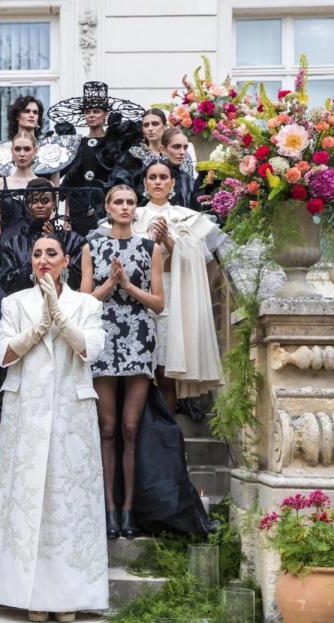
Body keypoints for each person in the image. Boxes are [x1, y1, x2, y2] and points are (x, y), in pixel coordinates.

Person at [0, 234, 107, 623]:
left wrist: (60, 316)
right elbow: (1, 354)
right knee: (28, 496)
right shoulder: (14, 303)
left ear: (66, 260)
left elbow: (91, 349)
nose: (43, 260)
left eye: (51, 253)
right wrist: (38, 328)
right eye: (37, 254)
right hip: (27, 412)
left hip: (72, 412)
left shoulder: (87, 304)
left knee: (68, 502)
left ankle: (68, 595)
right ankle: (28, 592)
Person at [81, 185, 164, 539]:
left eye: (131, 202)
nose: (125, 207)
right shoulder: (91, 245)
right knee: (108, 428)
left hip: (139, 337)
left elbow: (159, 303)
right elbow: (84, 300)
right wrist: (110, 284)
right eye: (119, 201)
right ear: (107, 206)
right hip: (104, 336)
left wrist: (128, 286)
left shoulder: (151, 248)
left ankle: (129, 509)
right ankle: (108, 510)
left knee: (131, 428)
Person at [0, 178, 87, 420]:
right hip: (24, 310)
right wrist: (33, 269)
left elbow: (79, 280)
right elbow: (5, 280)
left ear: (55, 202)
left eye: (45, 200)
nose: (39, 205)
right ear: (26, 203)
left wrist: (56, 251)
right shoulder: (12, 241)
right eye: (33, 200)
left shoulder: (71, 241)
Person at [135, 159, 224, 410]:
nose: (158, 182)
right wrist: (151, 240)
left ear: (172, 183)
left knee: (165, 369)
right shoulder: (133, 215)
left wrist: (169, 241)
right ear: (144, 183)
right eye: (152, 177)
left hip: (174, 294)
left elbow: (195, 261)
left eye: (163, 177)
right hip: (140, 294)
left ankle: (167, 435)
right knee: (139, 373)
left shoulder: (187, 218)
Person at [48, 81, 145, 236]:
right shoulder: (77, 144)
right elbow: (71, 183)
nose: (91, 115)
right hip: (78, 209)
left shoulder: (114, 144)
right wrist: (67, 217)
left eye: (96, 111)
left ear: (105, 114)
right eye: (87, 112)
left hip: (105, 208)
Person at [0, 130, 45, 294]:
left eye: (26, 149)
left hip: (35, 251)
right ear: (11, 151)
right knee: (2, 310)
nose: (22, 154)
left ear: (35, 151)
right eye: (17, 149)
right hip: (6, 254)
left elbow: (50, 222)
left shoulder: (44, 185)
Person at [0, 95, 79, 179]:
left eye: (35, 112)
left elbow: (55, 193)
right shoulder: (0, 152)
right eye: (26, 111)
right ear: (17, 116)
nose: (32, 115)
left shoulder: (51, 151)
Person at [128, 109, 196, 176]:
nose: (150, 128)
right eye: (146, 125)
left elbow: (188, 180)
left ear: (165, 127)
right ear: (142, 129)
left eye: (155, 124)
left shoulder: (180, 152)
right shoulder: (135, 153)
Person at [160, 128, 202, 210]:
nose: (182, 152)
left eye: (185, 147)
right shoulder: (151, 176)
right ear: (163, 149)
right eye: (176, 147)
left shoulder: (189, 179)